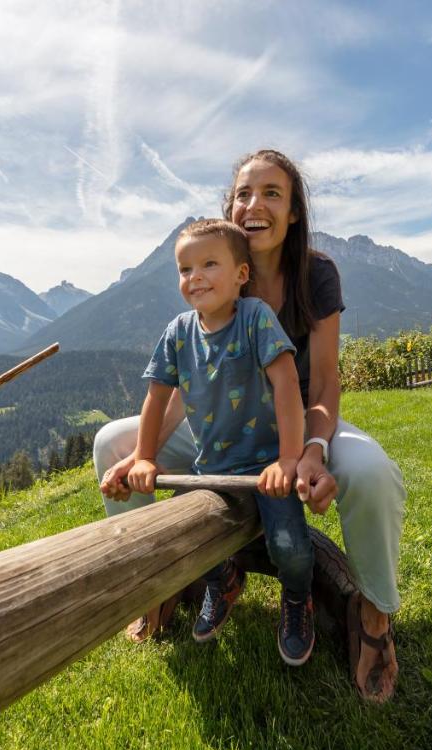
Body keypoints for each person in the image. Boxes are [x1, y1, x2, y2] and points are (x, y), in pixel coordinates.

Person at [98, 150, 406, 701]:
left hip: (300, 426)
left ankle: (375, 616)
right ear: (229, 210)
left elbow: (325, 384)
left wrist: (311, 450)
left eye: (271, 193)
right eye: (243, 193)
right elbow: (177, 390)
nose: (254, 204)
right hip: (222, 427)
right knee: (110, 442)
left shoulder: (316, 276)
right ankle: (155, 585)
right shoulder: (209, 279)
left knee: (372, 471)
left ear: (293, 212)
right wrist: (143, 451)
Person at [123, 218, 318, 665]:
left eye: (209, 264)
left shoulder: (255, 318)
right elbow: (156, 397)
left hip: (268, 464)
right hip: (209, 467)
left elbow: (287, 385)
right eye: (185, 268)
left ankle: (296, 598)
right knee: (191, 536)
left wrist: (289, 459)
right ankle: (222, 581)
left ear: (241, 275)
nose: (195, 277)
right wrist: (144, 457)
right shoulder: (177, 332)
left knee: (289, 545)